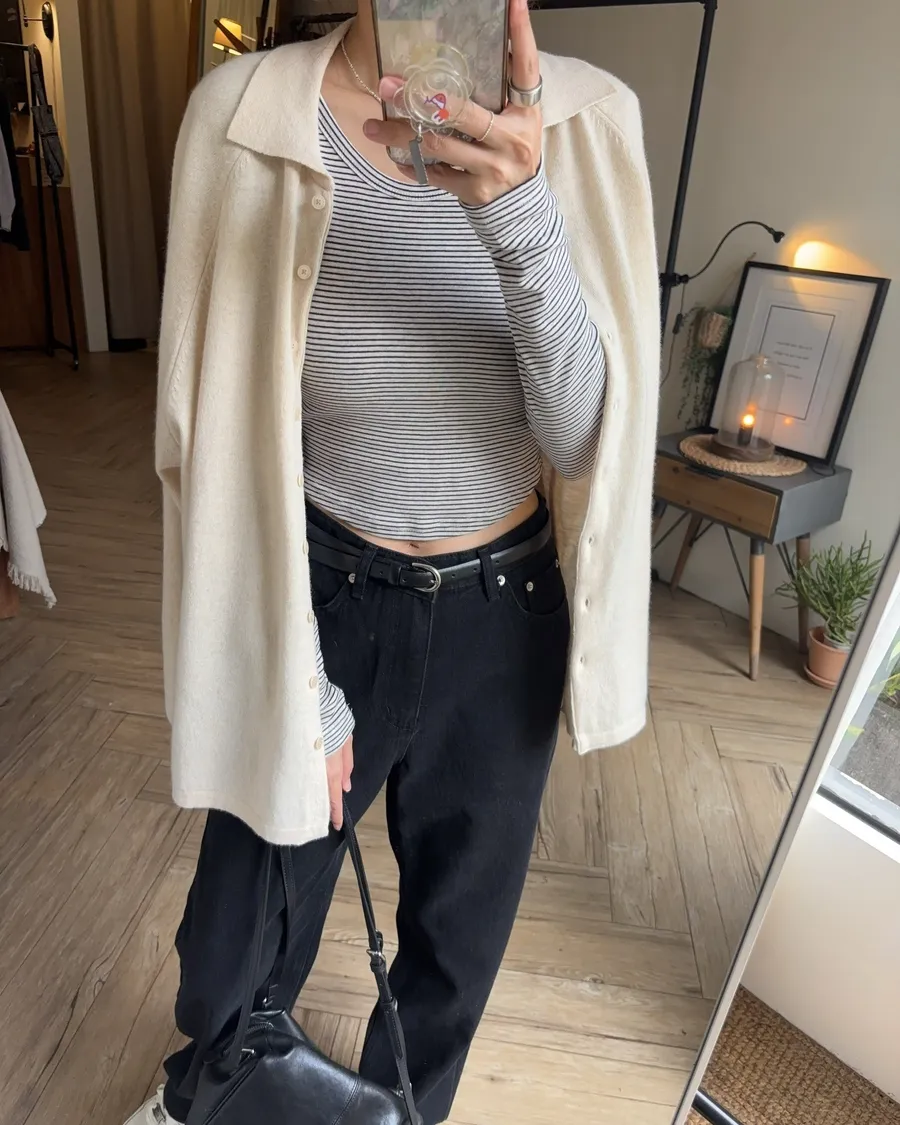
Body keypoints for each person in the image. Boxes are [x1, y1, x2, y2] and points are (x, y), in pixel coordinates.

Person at [127, 1, 659, 1122]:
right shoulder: (245, 115)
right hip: (316, 589)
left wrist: (519, 214)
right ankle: (208, 1094)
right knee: (234, 939)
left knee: (454, 952)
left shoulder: (591, 124)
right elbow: (209, 439)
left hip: (504, 613)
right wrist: (299, 679)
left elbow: (583, 444)